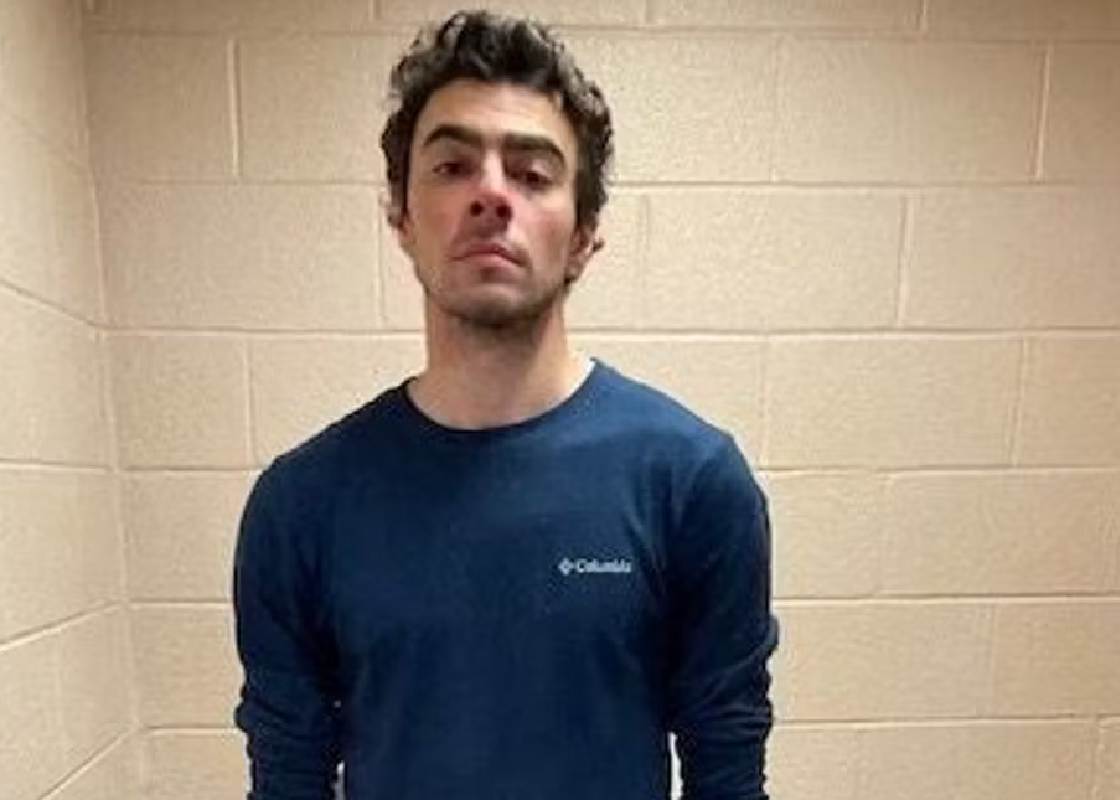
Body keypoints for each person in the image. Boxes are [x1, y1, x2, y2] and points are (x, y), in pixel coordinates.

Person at [231, 9, 779, 800]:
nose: (491, 193)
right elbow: (288, 780)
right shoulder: (301, 504)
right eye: (453, 166)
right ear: (400, 215)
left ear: (585, 233)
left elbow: (728, 772)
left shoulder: (693, 481)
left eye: (532, 173)